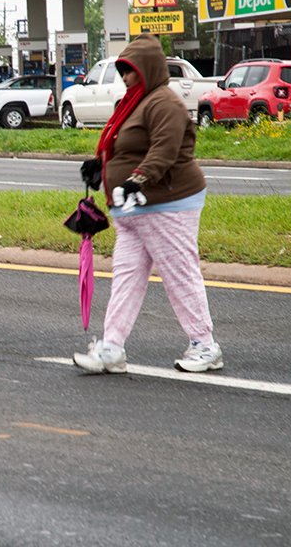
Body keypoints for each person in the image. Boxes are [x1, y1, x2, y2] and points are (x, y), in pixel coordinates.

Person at [73, 33, 222, 374]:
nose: (125, 77)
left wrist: (135, 179)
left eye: (131, 70)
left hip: (168, 203)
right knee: (126, 278)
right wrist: (101, 167)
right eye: (123, 70)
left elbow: (164, 150)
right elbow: (124, 147)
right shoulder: (135, 101)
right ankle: (111, 348)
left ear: (149, 70)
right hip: (134, 210)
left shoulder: (163, 102)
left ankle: (205, 345)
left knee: (179, 274)